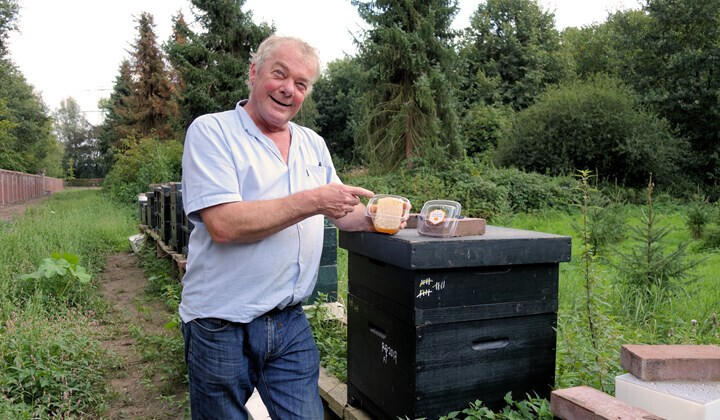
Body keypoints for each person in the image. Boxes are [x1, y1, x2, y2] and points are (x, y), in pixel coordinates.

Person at [180, 35, 399, 420]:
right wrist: (314, 200)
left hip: (288, 319)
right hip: (220, 321)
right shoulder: (212, 131)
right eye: (279, 75)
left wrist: (382, 217)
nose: (288, 90)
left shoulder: (312, 143)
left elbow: (342, 213)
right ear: (253, 72)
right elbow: (223, 225)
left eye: (301, 84)